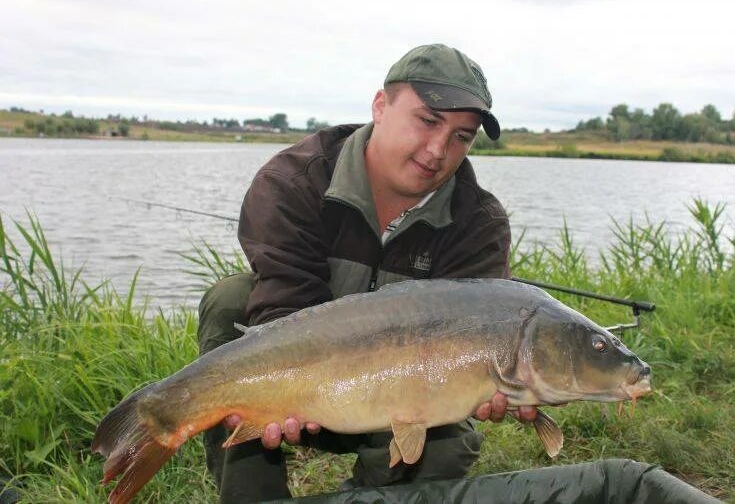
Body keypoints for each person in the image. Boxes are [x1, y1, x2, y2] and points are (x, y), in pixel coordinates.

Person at [198, 43, 538, 502]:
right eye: (428, 120)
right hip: (304, 385)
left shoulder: (478, 221)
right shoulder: (294, 181)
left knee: (450, 434)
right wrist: (287, 402)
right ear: (381, 105)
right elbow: (282, 311)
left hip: (410, 400)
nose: (439, 149)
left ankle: (368, 493)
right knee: (229, 302)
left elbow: (481, 341)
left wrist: (498, 383)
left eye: (462, 135)